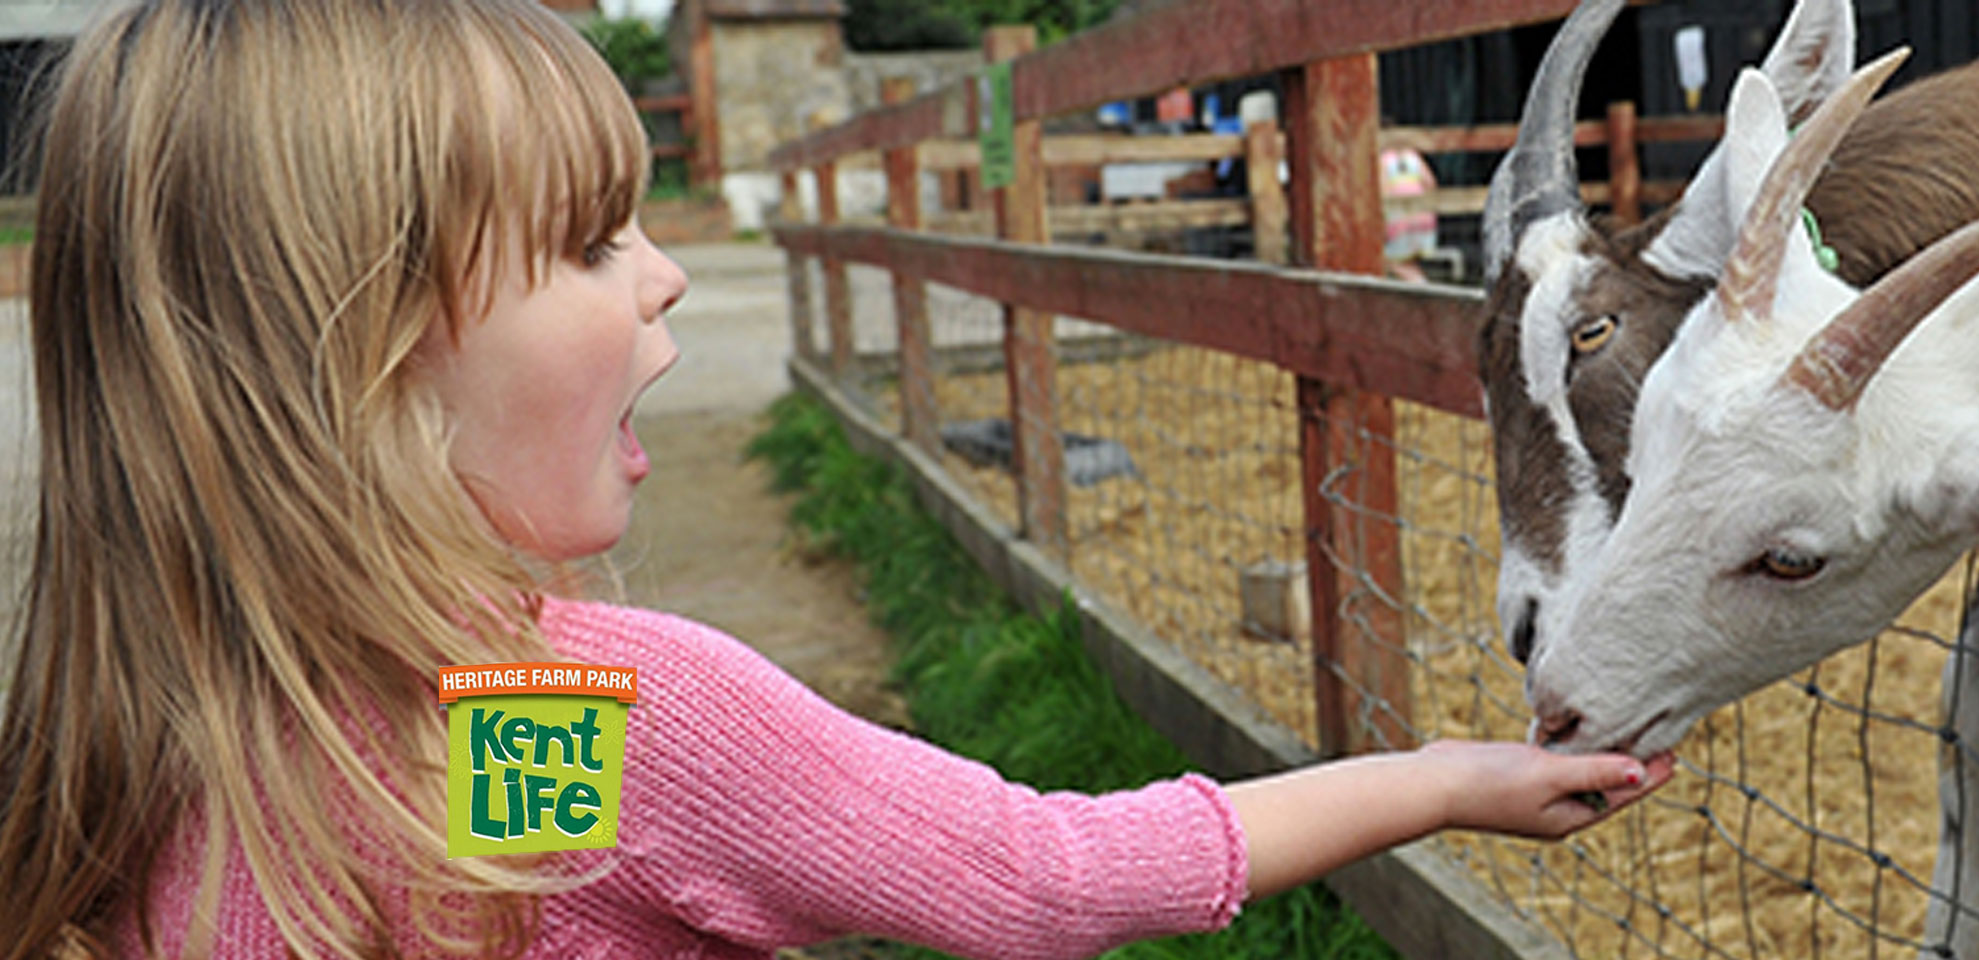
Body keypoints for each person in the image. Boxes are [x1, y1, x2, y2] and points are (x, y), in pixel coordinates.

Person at [0, 1, 1672, 957]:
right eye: (590, 242)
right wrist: (1439, 780)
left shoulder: (141, 749)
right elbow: (1041, 878)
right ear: (366, 351)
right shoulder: (571, 718)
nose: (662, 276)